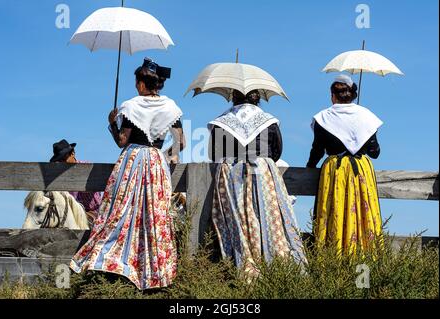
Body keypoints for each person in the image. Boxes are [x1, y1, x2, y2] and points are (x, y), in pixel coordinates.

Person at [70, 58, 185, 290]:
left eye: (136, 82)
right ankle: (155, 274)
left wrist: (112, 123)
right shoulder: (172, 108)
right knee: (154, 215)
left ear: (142, 84)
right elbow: (180, 143)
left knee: (119, 211)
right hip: (155, 163)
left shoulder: (131, 106)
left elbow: (122, 142)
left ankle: (116, 267)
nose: (135, 86)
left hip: (132, 161)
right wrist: (163, 155)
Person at [208, 89, 307, 277]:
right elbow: (277, 151)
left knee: (238, 219)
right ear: (258, 97)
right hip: (262, 172)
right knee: (267, 215)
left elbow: (214, 154)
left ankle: (241, 263)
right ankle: (275, 263)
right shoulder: (268, 120)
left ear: (233, 96)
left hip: (232, 174)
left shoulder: (221, 122)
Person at [307, 74, 383, 256]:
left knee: (333, 213)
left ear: (333, 95)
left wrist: (310, 166)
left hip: (335, 171)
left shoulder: (323, 118)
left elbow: (317, 150)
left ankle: (334, 266)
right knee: (363, 217)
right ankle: (362, 274)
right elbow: (375, 152)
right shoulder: (366, 116)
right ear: (353, 95)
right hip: (361, 170)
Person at [50, 139, 102, 226]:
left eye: (64, 158)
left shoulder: (86, 167)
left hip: (91, 211)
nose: (62, 162)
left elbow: (91, 189)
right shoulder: (60, 176)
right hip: (70, 213)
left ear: (72, 153)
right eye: (59, 160)